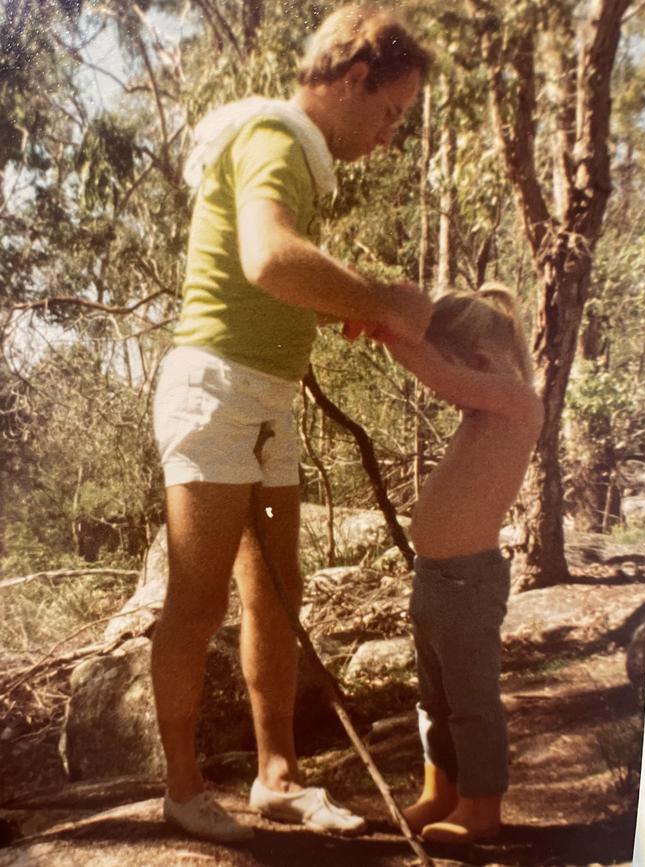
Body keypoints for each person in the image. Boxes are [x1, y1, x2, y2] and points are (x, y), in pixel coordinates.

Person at [151, 3, 432, 844]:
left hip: (266, 398)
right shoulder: (273, 136)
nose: (387, 136)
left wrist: (350, 301)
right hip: (216, 392)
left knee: (277, 596)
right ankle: (182, 789)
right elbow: (267, 256)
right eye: (387, 113)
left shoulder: (299, 159)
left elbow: (284, 275)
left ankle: (277, 778)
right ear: (353, 80)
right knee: (197, 602)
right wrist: (382, 299)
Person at [385, 284, 544, 844]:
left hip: (468, 579)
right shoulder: (483, 408)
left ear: (479, 362)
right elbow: (449, 380)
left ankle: (482, 805)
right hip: (433, 578)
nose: (454, 398)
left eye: (460, 379)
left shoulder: (518, 401)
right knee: (435, 697)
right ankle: (442, 791)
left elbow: (444, 378)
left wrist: (388, 327)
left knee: (471, 698)